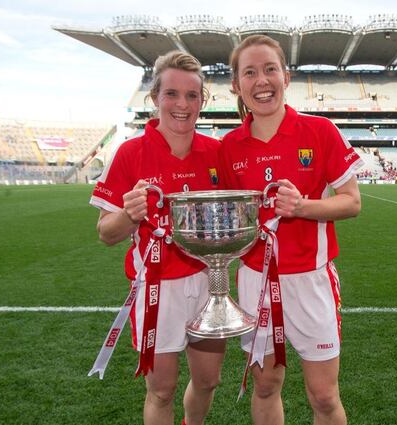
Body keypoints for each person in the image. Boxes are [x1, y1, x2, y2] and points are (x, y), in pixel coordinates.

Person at [218, 35, 363, 424]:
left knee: (324, 396)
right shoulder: (227, 147)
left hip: (310, 281)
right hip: (254, 282)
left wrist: (303, 207)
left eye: (269, 69)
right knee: (265, 386)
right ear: (236, 85)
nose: (261, 80)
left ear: (286, 75)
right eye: (249, 72)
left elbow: (352, 201)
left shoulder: (319, 131)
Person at [90, 51, 224, 425]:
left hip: (208, 282)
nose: (182, 105)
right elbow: (105, 233)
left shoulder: (217, 153)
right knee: (161, 389)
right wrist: (129, 214)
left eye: (192, 95)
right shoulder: (131, 152)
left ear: (202, 101)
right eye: (172, 94)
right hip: (156, 288)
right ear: (155, 98)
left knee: (209, 380)